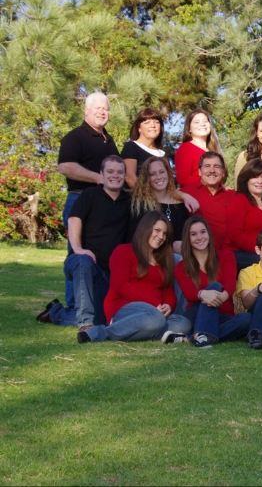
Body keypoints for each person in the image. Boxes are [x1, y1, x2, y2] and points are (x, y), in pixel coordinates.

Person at [40, 156, 130, 331]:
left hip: (109, 274)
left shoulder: (128, 201)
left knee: (103, 320)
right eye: (110, 171)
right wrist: (77, 248)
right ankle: (85, 324)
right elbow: (74, 219)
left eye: (120, 172)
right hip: (84, 265)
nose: (115, 175)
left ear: (125, 176)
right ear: (101, 174)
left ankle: (56, 312)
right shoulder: (89, 195)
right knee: (84, 261)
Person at [76, 211, 191, 344]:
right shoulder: (123, 251)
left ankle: (143, 332)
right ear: (145, 228)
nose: (161, 237)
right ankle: (101, 332)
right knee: (156, 319)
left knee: (183, 324)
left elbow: (168, 291)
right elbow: (122, 286)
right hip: (125, 308)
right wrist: (154, 304)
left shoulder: (164, 260)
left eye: (165, 234)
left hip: (155, 313)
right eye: (157, 230)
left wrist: (168, 305)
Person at [57, 92, 119, 311]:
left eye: (105, 109)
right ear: (86, 110)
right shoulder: (75, 137)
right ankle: (74, 306)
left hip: (103, 204)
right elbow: (65, 166)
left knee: (100, 251)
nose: (102, 112)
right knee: (78, 252)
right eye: (97, 108)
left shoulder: (108, 140)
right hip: (80, 200)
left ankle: (96, 302)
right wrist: (98, 179)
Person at [174, 216, 253, 348]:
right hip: (197, 314)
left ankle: (197, 336)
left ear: (209, 233)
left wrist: (220, 297)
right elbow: (189, 293)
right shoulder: (181, 266)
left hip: (223, 315)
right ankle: (201, 334)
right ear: (187, 238)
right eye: (193, 234)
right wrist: (203, 294)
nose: (200, 237)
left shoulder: (226, 256)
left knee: (246, 319)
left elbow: (230, 284)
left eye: (203, 232)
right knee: (215, 286)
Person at [225, 159, 262, 272]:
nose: (259, 181)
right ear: (246, 180)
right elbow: (235, 235)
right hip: (238, 253)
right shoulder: (239, 200)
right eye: (254, 177)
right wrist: (261, 250)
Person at [129, 157, 190, 254]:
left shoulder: (179, 206)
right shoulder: (139, 204)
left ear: (168, 173)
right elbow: (135, 237)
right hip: (144, 255)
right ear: (147, 178)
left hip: (171, 257)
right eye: (152, 174)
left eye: (161, 172)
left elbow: (180, 241)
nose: (158, 177)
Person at [180, 152, 235, 250]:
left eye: (217, 166)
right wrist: (181, 195)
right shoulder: (186, 193)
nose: (212, 170)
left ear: (223, 172)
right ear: (199, 171)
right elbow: (165, 194)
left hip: (230, 252)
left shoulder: (233, 195)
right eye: (207, 166)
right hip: (198, 252)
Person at [175, 109, 222, 187]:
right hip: (195, 194)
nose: (202, 124)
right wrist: (209, 185)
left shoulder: (213, 150)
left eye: (205, 121)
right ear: (189, 128)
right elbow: (183, 179)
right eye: (197, 122)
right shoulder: (186, 148)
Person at [122, 108, 166, 188]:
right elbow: (130, 177)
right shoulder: (131, 147)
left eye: (156, 122)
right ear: (139, 128)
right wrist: (147, 195)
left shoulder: (162, 154)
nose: (153, 125)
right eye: (147, 122)